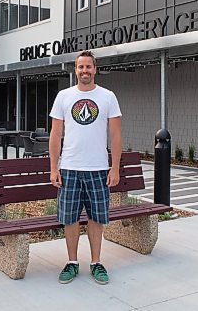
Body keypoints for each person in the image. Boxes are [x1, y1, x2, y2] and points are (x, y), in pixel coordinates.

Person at [49, 50, 122, 285]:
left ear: (95, 69)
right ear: (75, 70)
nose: (84, 71)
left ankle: (96, 263)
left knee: (96, 218)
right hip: (69, 168)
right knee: (69, 218)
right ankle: (71, 262)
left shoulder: (108, 97)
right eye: (80, 67)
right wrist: (54, 167)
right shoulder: (63, 96)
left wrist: (115, 168)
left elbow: (116, 135)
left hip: (98, 169)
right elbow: (55, 134)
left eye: (88, 67)